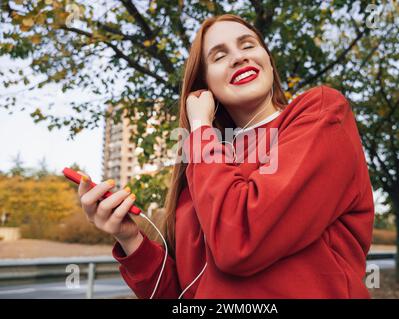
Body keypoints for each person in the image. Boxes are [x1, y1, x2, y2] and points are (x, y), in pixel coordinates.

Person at [77, 14, 374, 299]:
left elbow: (240, 241)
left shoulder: (320, 113)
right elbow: (185, 293)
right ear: (204, 87)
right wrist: (130, 238)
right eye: (219, 56)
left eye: (248, 45)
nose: (238, 57)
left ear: (268, 60)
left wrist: (200, 128)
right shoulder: (204, 164)